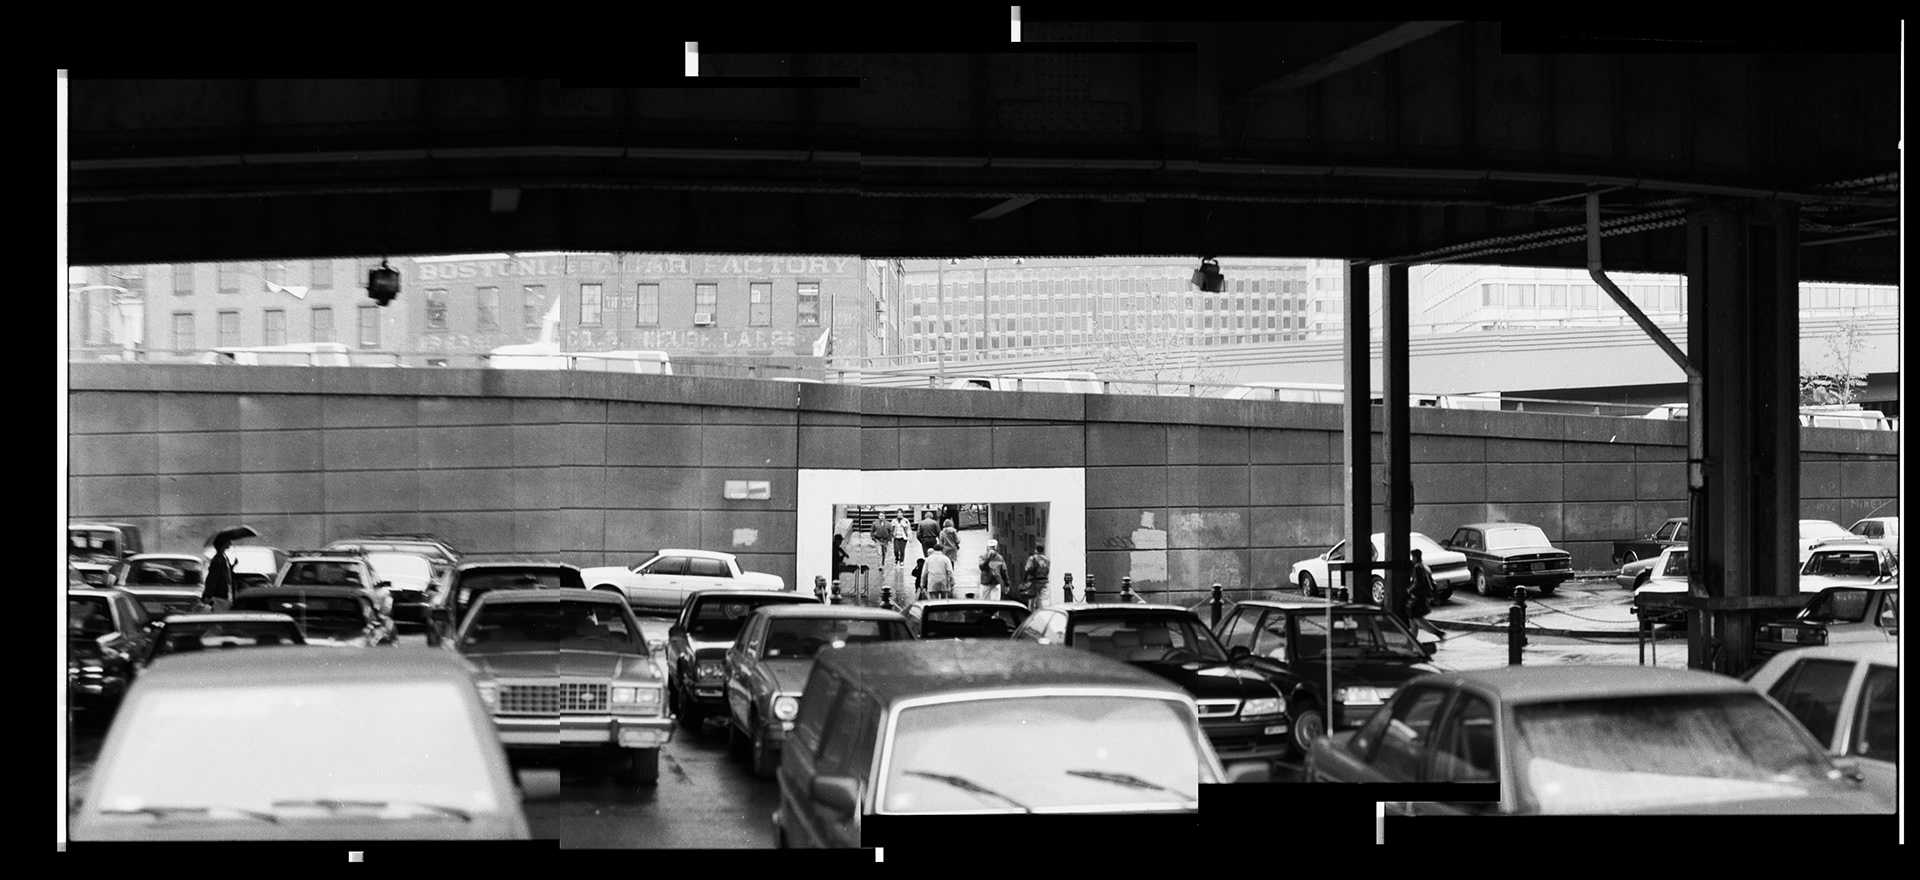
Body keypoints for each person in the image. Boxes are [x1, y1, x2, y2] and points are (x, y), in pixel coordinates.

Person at [1407, 548, 1446, 640]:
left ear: (1415, 557)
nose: (1412, 559)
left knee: (1416, 618)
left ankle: (1438, 632)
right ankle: (1412, 640)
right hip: (1423, 595)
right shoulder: (1424, 567)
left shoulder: (1417, 567)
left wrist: (1409, 590)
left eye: (1412, 557)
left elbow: (1418, 583)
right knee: (1413, 618)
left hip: (1418, 596)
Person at [200, 533, 237, 612]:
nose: (230, 543)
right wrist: (208, 595)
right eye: (228, 541)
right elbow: (212, 578)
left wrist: (232, 566)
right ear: (223, 544)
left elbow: (225, 574)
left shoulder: (223, 557)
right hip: (219, 598)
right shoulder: (217, 560)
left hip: (224, 596)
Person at [1019, 543, 1051, 610]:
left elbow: (1027, 569)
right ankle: (1046, 614)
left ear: (1036, 549)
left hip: (1033, 582)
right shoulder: (1047, 560)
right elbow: (1047, 571)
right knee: (1045, 600)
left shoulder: (1032, 558)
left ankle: (1031, 615)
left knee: (1032, 601)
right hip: (1045, 581)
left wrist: (1024, 579)